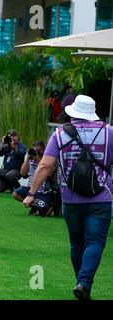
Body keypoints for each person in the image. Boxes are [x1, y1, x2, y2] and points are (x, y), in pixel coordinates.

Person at [24, 95, 112, 300]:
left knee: (76, 243)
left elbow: (45, 165)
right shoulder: (109, 132)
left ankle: (81, 283)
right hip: (101, 197)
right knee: (95, 241)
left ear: (73, 113)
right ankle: (84, 283)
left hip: (71, 199)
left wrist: (31, 193)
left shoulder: (60, 134)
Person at [12, 140, 58, 216]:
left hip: (44, 191)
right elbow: (23, 173)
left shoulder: (48, 159)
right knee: (15, 194)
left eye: (38, 150)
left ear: (43, 150)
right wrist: (27, 159)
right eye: (35, 150)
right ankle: (34, 205)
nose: (36, 153)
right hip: (31, 188)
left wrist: (37, 159)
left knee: (44, 214)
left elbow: (48, 172)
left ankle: (49, 205)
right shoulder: (31, 159)